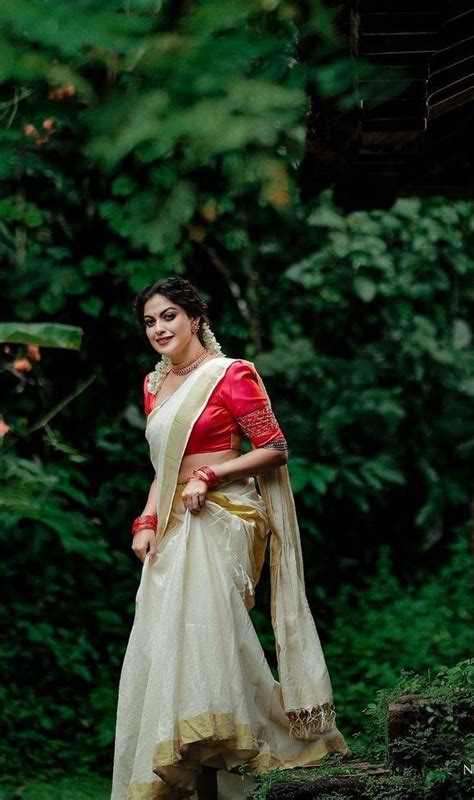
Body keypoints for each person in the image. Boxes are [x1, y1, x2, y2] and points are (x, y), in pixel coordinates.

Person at [111, 277, 350, 800]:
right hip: (174, 520)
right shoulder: (153, 385)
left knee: (207, 631)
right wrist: (146, 521)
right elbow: (163, 470)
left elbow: (275, 448)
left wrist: (210, 475)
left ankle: (250, 748)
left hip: (225, 513)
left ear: (195, 318)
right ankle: (189, 764)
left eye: (169, 316)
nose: (159, 329)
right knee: (169, 641)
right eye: (149, 321)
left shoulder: (231, 374)